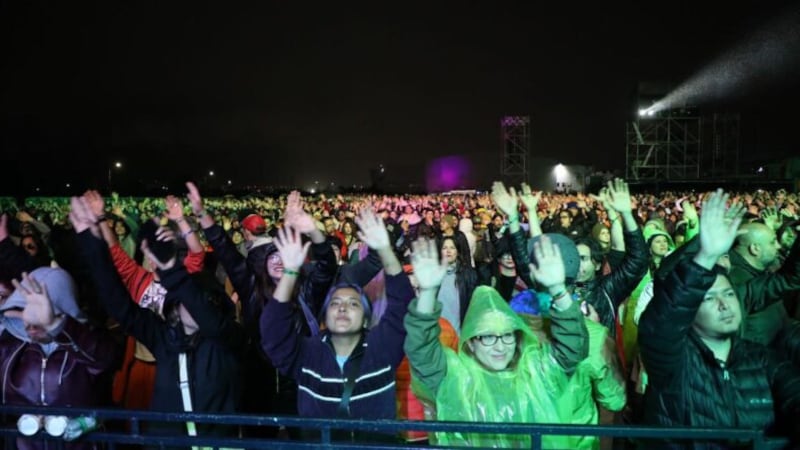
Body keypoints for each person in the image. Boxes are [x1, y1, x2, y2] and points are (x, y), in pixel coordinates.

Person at [70, 195, 246, 442]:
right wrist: (90, 242)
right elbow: (119, 305)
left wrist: (171, 270)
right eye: (185, 301)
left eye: (201, 301)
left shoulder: (227, 342)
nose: (192, 306)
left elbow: (210, 321)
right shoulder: (165, 339)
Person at [638, 189, 800, 448]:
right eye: (710, 298)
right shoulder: (674, 362)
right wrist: (704, 255)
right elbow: (662, 317)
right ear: (690, 308)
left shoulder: (761, 360)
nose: (724, 304)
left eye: (728, 294)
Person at [404, 236, 588, 448]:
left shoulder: (535, 371)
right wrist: (427, 294)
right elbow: (421, 349)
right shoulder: (456, 378)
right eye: (488, 337)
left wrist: (558, 290)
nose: (500, 346)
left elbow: (573, 347)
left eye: (507, 335)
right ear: (471, 343)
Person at [260, 208, 414, 443]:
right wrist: (290, 272)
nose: (342, 308)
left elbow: (403, 305)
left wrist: (385, 250)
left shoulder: (382, 348)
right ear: (325, 316)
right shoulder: (309, 354)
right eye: (335, 303)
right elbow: (274, 333)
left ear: (366, 319)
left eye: (353, 303)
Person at [0, 268, 120, 450]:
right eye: (25, 310)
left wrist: (56, 326)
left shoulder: (88, 342)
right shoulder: (10, 346)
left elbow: (106, 359)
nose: (31, 322)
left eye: (40, 311)